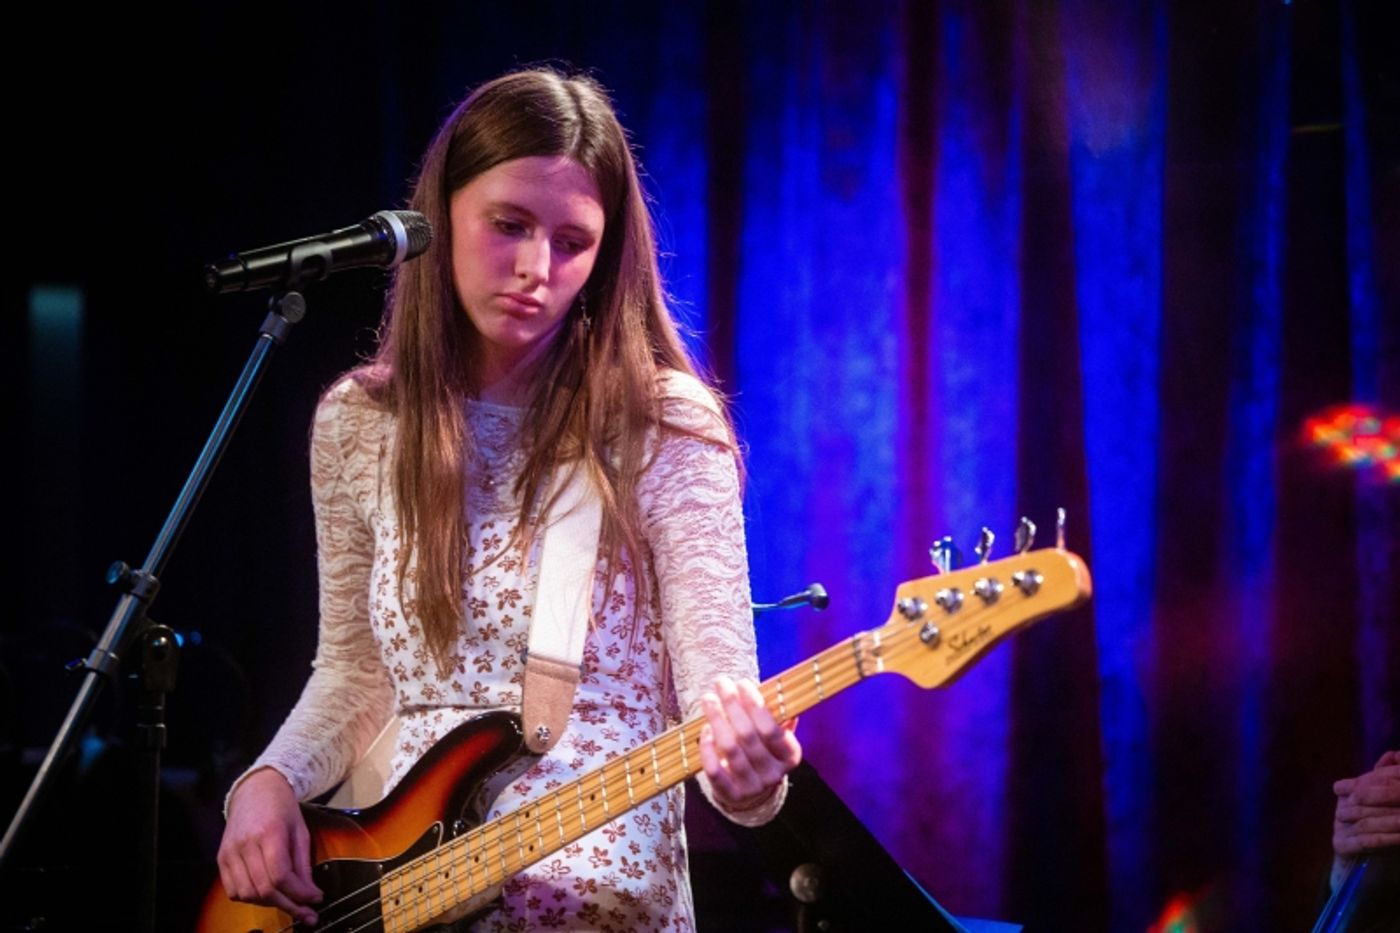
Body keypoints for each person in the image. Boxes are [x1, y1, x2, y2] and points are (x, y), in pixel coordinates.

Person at [216, 68, 801, 931]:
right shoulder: (360, 420)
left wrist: (752, 780)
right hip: (394, 897)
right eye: (509, 226)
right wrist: (267, 782)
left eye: (573, 241)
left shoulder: (663, 424)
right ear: (439, 216)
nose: (536, 268)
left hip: (603, 907)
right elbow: (354, 670)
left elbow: (721, 696)